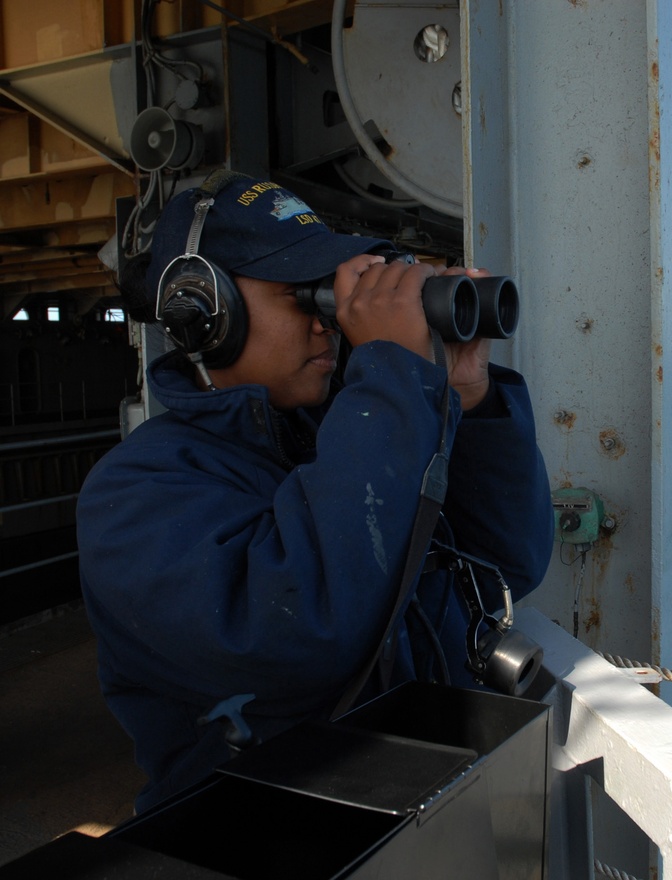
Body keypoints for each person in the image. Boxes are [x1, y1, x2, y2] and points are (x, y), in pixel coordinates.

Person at [77, 171, 553, 812]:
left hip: (412, 807)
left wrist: (469, 399)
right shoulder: (136, 491)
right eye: (308, 297)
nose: (329, 326)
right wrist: (388, 380)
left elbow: (506, 564)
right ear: (207, 311)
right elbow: (294, 636)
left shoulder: (341, 439)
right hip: (257, 833)